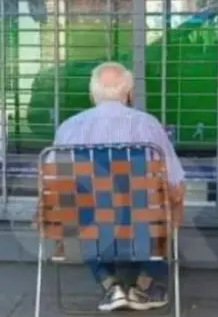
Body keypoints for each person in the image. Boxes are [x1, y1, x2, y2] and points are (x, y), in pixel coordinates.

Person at [50, 62, 185, 312]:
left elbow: (55, 188)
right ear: (129, 94)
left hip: (89, 228)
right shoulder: (148, 126)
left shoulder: (68, 128)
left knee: (75, 207)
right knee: (171, 201)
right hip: (142, 227)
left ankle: (109, 284)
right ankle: (144, 284)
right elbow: (175, 187)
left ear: (92, 94)